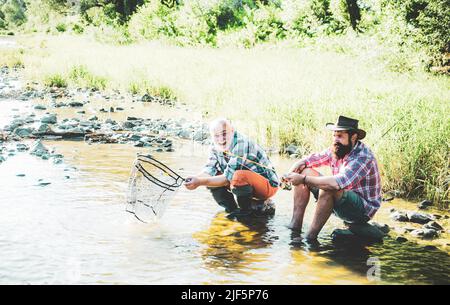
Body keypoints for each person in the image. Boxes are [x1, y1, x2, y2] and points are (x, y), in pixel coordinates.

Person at [283, 115, 381, 240]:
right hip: (342, 198)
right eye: (334, 135)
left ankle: (310, 237)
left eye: (340, 136)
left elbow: (336, 183)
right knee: (305, 171)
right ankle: (295, 226)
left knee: (328, 187)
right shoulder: (339, 149)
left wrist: (302, 180)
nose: (335, 139)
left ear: (353, 137)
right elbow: (314, 158)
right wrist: (299, 165)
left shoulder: (363, 156)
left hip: (362, 210)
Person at [184, 118, 279, 218]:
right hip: (247, 184)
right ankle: (231, 209)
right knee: (212, 177)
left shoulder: (241, 143)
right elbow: (209, 170)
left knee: (238, 176)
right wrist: (194, 179)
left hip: (268, 186)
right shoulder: (214, 146)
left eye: (224, 133)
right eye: (216, 136)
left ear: (232, 130)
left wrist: (199, 182)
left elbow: (227, 178)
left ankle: (245, 211)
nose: (221, 139)